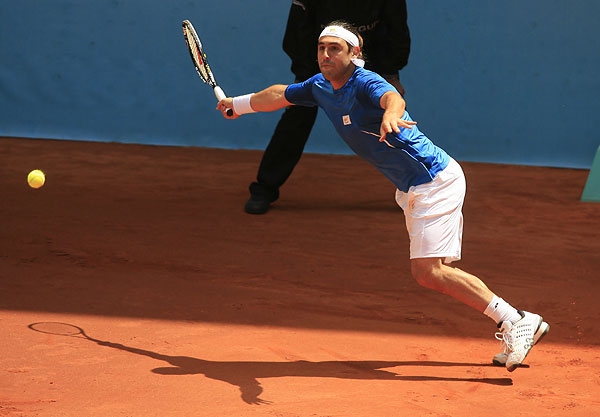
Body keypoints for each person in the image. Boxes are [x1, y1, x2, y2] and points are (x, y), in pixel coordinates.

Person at [217, 21, 550, 370]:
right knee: (430, 272)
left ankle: (515, 320)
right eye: (321, 48)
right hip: (412, 186)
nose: (326, 55)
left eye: (335, 48)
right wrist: (237, 105)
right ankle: (516, 319)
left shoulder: (365, 82)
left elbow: (392, 97)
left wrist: (391, 115)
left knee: (429, 271)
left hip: (434, 179)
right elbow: (280, 94)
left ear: (354, 53)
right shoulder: (319, 86)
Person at [244, 0, 411, 214]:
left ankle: (414, 187)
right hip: (319, 65)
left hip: (369, 62)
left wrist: (391, 74)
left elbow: (396, 30)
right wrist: (303, 76)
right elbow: (297, 32)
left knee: (393, 124)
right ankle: (264, 189)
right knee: (296, 119)